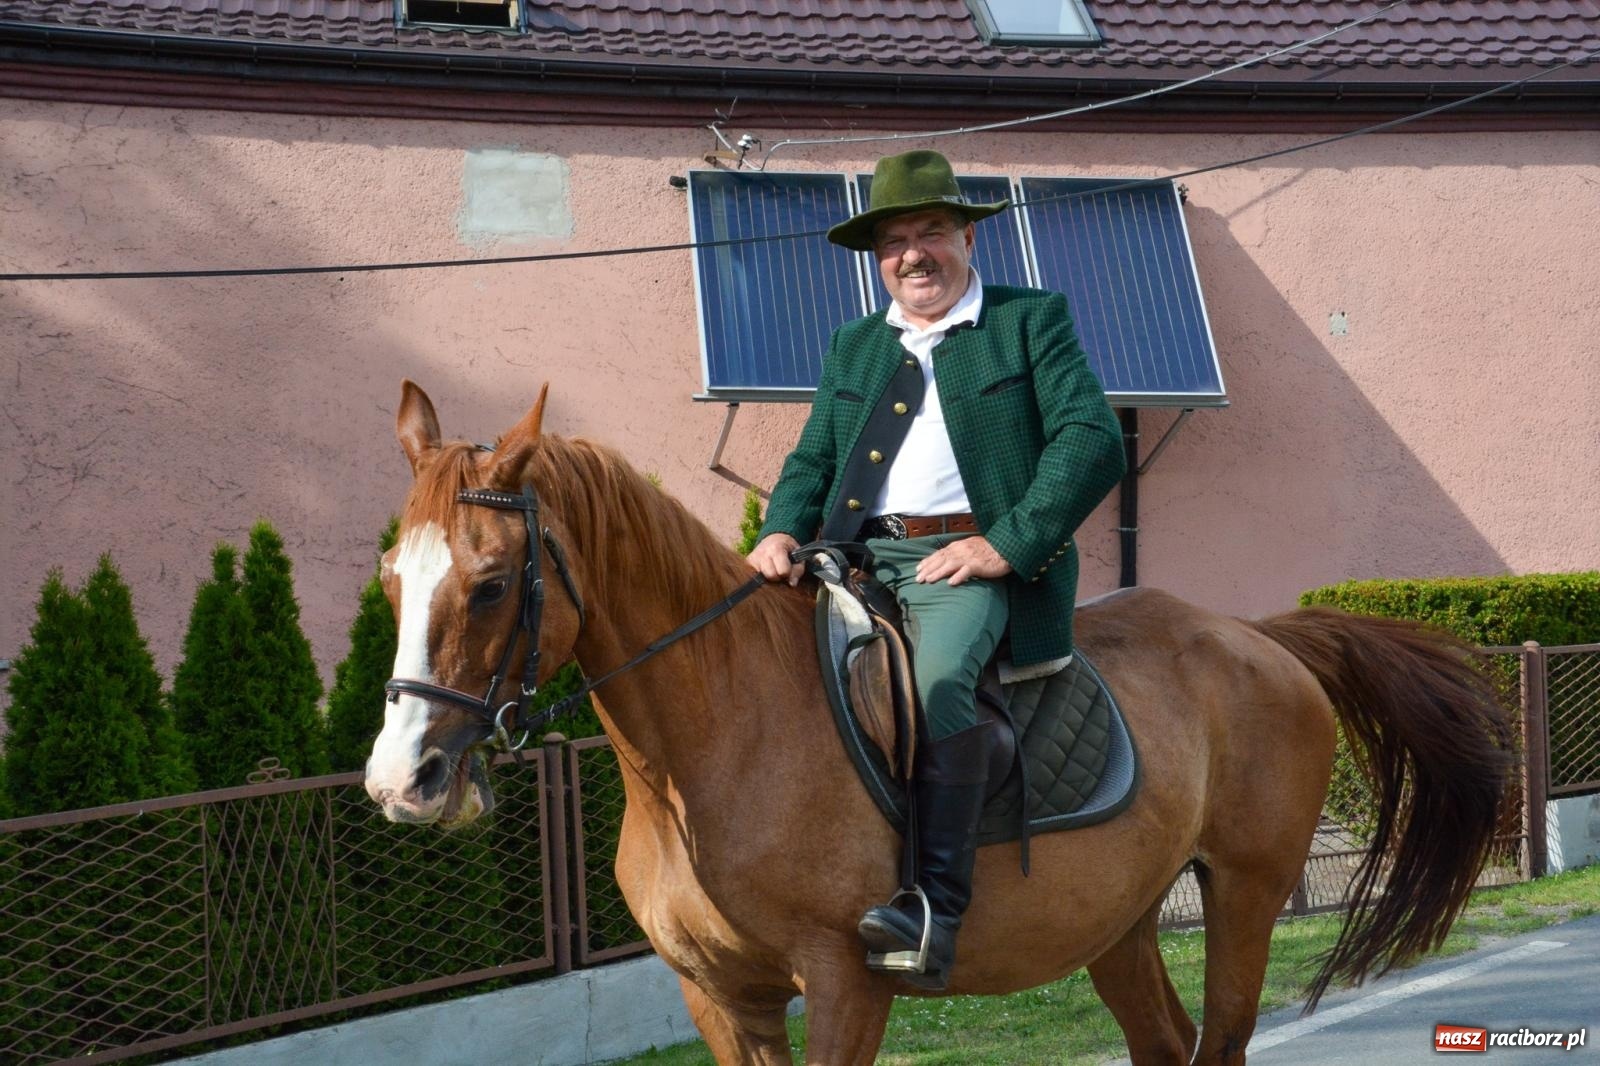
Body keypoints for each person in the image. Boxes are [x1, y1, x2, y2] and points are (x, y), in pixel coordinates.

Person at [746, 149, 1126, 990]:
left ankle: (933, 905)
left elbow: (1092, 439)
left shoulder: (1030, 320)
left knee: (941, 675)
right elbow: (814, 457)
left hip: (967, 561)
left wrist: (1006, 544)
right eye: (894, 242)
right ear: (878, 260)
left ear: (966, 239)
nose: (913, 254)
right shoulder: (855, 345)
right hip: (856, 552)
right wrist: (780, 529)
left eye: (930, 233)